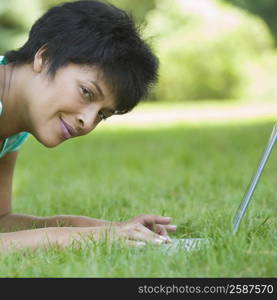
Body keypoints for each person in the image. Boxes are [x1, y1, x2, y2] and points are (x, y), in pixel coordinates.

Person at [0, 0, 176, 252]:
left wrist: (109, 230)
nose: (87, 121)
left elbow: (2, 221)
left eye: (103, 115)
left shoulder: (11, 123)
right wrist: (70, 238)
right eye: (86, 92)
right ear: (44, 57)